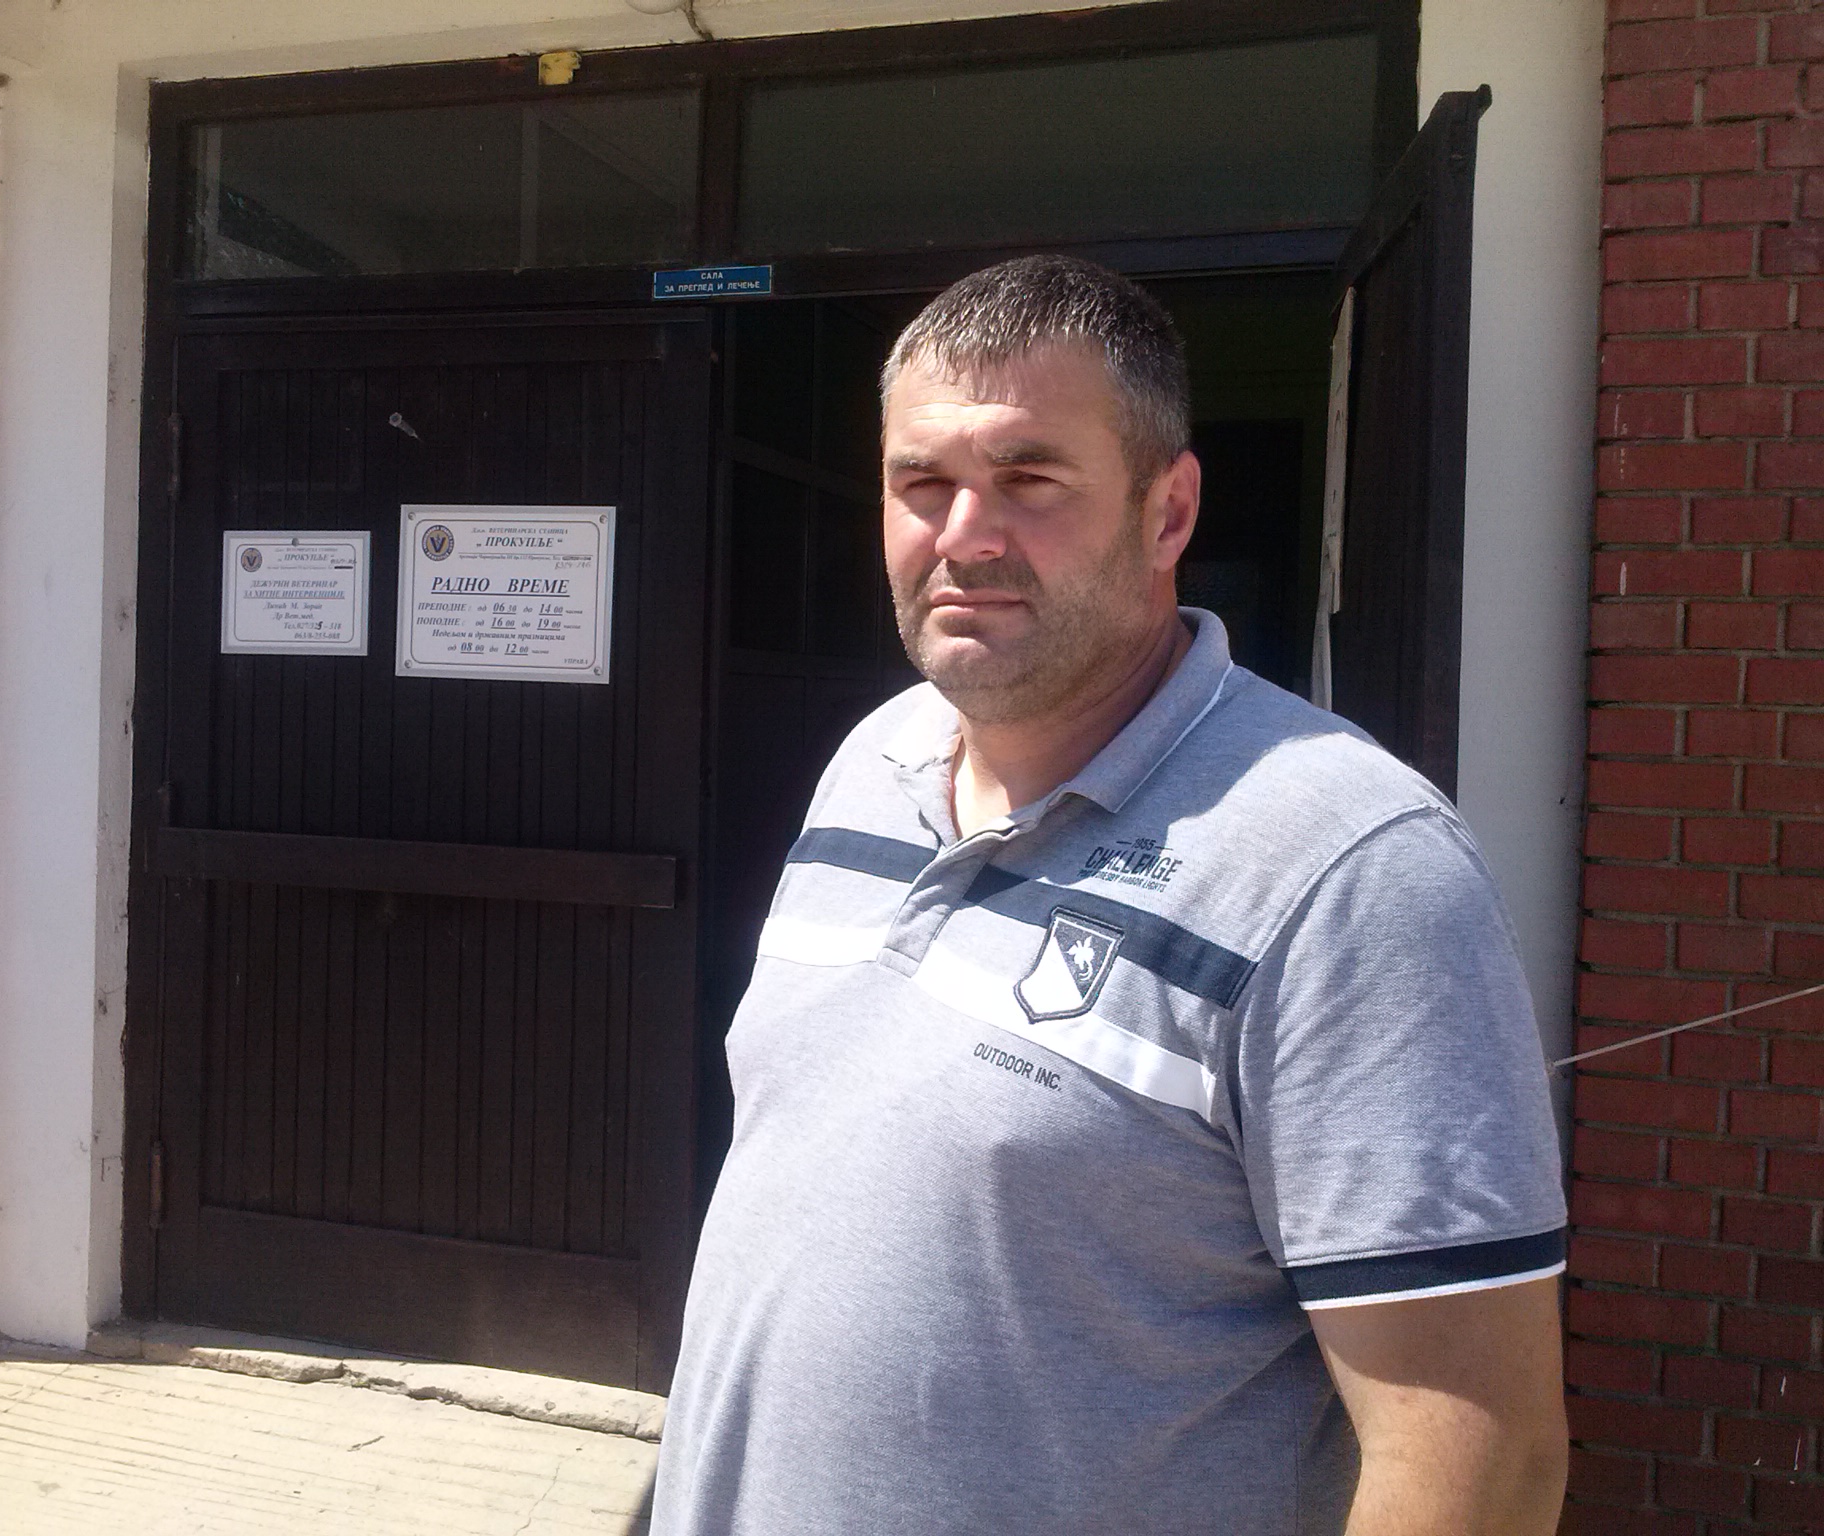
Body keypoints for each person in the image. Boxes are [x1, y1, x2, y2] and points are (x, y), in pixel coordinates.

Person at [649, 256, 1569, 1535]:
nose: (963, 535)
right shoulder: (874, 757)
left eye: (1028, 478)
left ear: (1167, 512)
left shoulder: (1347, 866)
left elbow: (1476, 1460)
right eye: (921, 483)